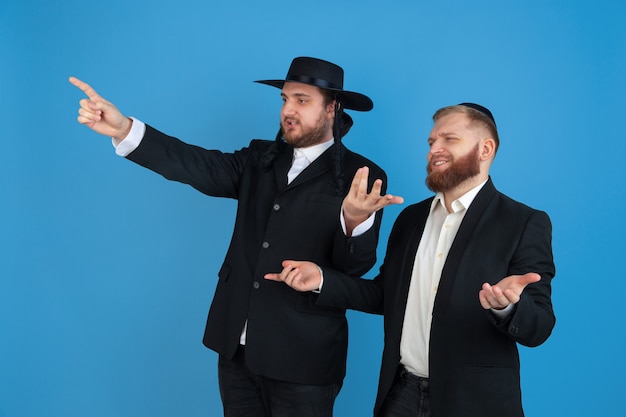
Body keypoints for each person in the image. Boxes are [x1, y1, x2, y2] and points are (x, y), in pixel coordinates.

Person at [70, 56, 402, 417]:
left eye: (302, 100)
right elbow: (196, 164)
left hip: (304, 357)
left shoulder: (361, 175)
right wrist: (124, 129)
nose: (288, 110)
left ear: (331, 109)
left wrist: (354, 220)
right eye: (285, 99)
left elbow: (353, 269)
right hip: (236, 347)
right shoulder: (260, 158)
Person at [265, 103, 556, 417]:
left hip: (475, 403)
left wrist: (507, 307)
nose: (435, 150)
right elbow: (384, 296)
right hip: (401, 395)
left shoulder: (523, 222)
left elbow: (539, 327)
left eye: (449, 140)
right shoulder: (410, 219)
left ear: (485, 148)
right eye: (432, 142)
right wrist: (321, 279)